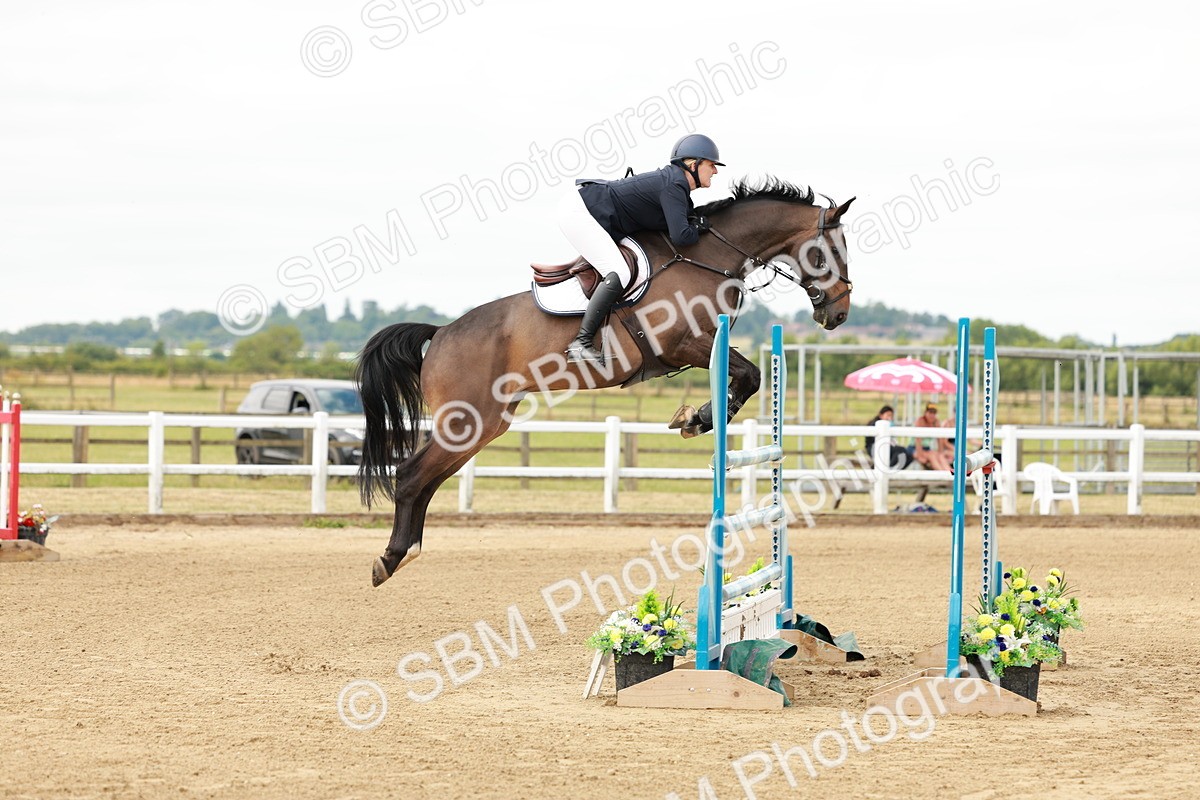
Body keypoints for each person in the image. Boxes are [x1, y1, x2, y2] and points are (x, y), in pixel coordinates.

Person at [558, 133, 724, 365]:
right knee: (620, 272)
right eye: (711, 164)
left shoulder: (677, 188)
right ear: (693, 164)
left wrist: (697, 224)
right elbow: (681, 236)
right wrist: (700, 228)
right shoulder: (674, 184)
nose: (715, 171)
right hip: (580, 211)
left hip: (594, 211)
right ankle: (581, 343)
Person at [865, 405, 912, 470]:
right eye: (888, 415)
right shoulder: (874, 424)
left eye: (891, 416)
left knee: (907, 455)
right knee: (900, 451)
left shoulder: (889, 425)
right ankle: (886, 470)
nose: (890, 418)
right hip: (875, 447)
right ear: (881, 415)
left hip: (887, 445)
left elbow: (892, 440)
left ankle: (887, 470)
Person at [913, 402, 953, 471]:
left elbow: (940, 439)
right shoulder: (920, 421)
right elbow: (918, 440)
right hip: (914, 448)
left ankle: (948, 472)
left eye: (934, 413)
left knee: (939, 455)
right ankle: (942, 473)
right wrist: (920, 456)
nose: (932, 415)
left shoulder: (936, 422)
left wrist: (941, 452)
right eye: (930, 413)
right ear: (925, 413)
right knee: (932, 456)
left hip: (927, 449)